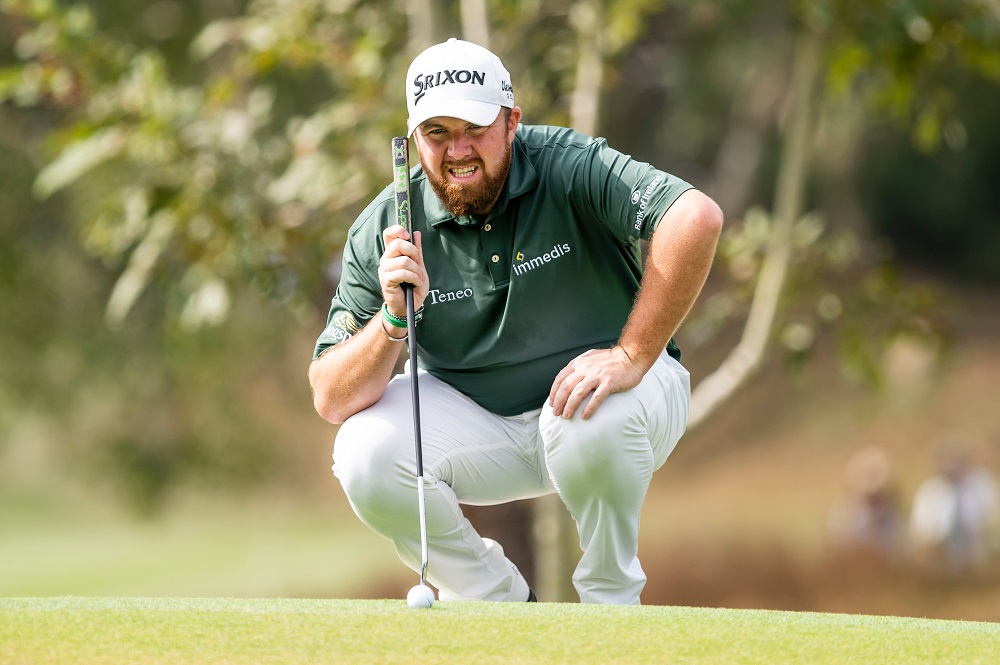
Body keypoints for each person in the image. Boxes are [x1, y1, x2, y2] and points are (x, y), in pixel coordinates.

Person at [308, 38, 723, 604]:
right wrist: (393, 320)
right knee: (364, 453)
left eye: (475, 129)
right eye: (437, 132)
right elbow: (331, 397)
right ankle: (496, 605)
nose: (457, 150)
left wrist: (631, 354)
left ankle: (610, 603)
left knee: (591, 414)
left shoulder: (567, 164)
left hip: (620, 403)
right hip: (482, 425)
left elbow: (695, 217)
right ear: (412, 139)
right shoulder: (386, 224)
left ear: (511, 123)